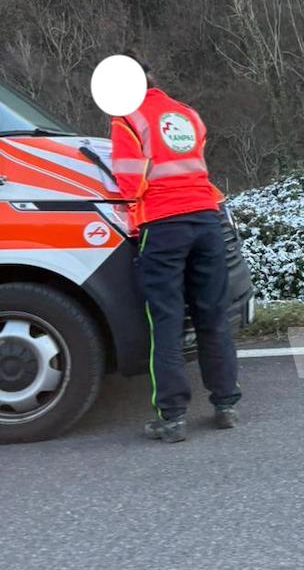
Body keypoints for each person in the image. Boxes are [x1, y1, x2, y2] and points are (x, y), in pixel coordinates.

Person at [110, 56, 240, 443]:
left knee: (165, 320)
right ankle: (226, 405)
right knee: (212, 314)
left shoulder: (127, 118)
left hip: (163, 225)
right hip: (206, 219)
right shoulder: (187, 114)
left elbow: (131, 184)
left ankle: (172, 417)